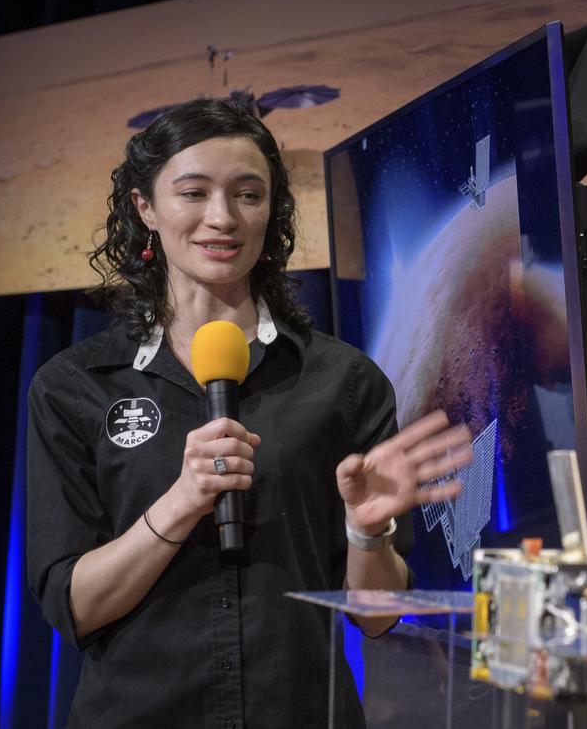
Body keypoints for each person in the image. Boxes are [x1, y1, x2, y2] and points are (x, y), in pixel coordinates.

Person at [26, 98, 472, 727]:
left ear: (272, 212)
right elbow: (74, 606)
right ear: (144, 208)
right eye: (193, 192)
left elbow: (376, 617)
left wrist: (366, 530)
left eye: (248, 194)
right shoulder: (75, 386)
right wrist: (182, 501)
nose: (222, 217)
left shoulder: (343, 382)